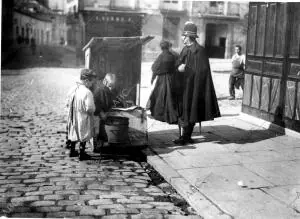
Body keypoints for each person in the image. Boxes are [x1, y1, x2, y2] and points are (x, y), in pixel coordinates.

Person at [173, 21, 221, 145]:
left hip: (194, 87)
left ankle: (185, 137)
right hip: (184, 86)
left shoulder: (200, 51)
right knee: (184, 111)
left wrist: (187, 70)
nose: (182, 38)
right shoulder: (185, 49)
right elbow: (178, 63)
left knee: (191, 110)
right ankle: (185, 136)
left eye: (184, 36)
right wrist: (179, 67)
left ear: (189, 36)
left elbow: (203, 71)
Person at [66, 68, 96, 160]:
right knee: (84, 132)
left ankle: (72, 150)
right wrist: (93, 110)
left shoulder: (73, 89)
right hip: (83, 116)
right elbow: (90, 108)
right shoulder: (87, 92)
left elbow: (67, 102)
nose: (92, 84)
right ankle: (81, 153)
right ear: (86, 81)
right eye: (91, 82)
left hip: (73, 115)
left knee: (74, 131)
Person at [147, 40, 178, 124]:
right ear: (168, 47)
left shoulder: (161, 56)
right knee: (170, 96)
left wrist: (154, 77)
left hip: (162, 79)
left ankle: (161, 115)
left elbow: (154, 68)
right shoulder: (173, 55)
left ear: (161, 48)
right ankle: (172, 115)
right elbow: (176, 66)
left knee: (160, 96)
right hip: (172, 78)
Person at [92, 73, 117, 152]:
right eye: (110, 85)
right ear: (105, 81)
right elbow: (95, 102)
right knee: (98, 131)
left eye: (113, 85)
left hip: (106, 113)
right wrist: (101, 112)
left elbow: (113, 100)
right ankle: (97, 146)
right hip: (98, 114)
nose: (111, 88)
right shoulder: (99, 89)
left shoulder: (112, 89)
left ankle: (106, 143)